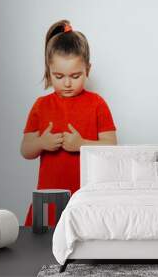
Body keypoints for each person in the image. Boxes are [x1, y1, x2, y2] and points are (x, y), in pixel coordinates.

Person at [20, 19, 117, 227]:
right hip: (49, 197)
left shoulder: (97, 104)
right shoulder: (41, 105)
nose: (66, 83)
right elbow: (26, 149)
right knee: (41, 250)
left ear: (88, 70)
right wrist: (41, 143)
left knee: (84, 250)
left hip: (86, 197)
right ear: (49, 71)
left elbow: (112, 147)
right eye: (58, 76)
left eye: (75, 76)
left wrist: (81, 145)